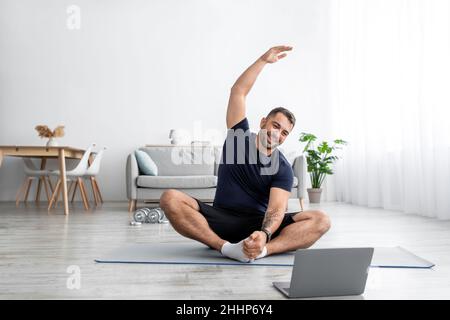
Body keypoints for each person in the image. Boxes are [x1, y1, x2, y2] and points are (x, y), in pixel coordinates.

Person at [160, 46, 331, 262]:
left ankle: (263, 250)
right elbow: (238, 91)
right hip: (220, 220)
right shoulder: (238, 138)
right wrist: (262, 60)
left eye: (284, 132)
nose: (278, 134)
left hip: (256, 225)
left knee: (321, 219)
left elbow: (276, 210)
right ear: (263, 122)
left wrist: (265, 234)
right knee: (170, 198)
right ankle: (224, 248)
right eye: (275, 126)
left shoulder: (283, 168)